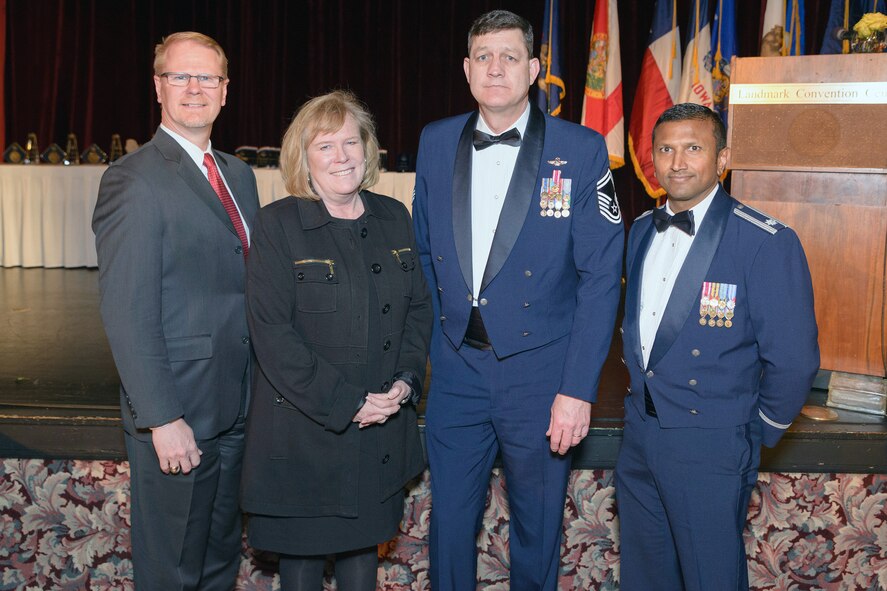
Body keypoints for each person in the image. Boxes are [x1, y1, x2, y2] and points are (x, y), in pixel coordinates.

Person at [412, 10, 624, 590]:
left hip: (540, 376)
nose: (495, 68)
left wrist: (578, 389)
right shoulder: (435, 141)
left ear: (534, 69)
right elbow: (422, 256)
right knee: (449, 523)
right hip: (455, 371)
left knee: (536, 526)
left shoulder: (579, 149)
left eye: (509, 56)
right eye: (483, 56)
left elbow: (602, 276)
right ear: (466, 69)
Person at [617, 103, 820, 590]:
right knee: (645, 577)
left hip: (711, 440)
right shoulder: (642, 230)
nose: (677, 162)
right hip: (640, 434)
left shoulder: (765, 241)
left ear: (722, 158)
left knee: (711, 577)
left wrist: (754, 431)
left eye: (693, 148)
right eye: (665, 149)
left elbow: (794, 360)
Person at [240, 90, 431, 591]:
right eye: (325, 146)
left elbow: (417, 310)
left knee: (361, 567)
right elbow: (273, 336)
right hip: (306, 437)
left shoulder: (394, 216)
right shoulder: (278, 225)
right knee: (300, 573)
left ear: (368, 150)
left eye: (351, 142)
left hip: (379, 436)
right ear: (303, 157)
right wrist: (349, 404)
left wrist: (407, 383)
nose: (341, 156)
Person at [92, 32, 259, 590]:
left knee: (217, 565)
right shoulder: (132, 180)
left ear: (225, 91)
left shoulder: (238, 175)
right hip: (178, 416)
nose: (194, 88)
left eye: (207, 77)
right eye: (181, 76)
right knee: (171, 573)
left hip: (235, 409)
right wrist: (162, 419)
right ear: (158, 86)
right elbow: (127, 313)